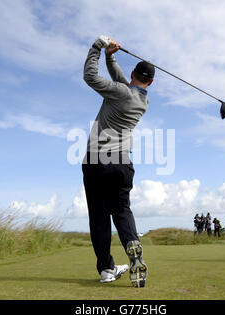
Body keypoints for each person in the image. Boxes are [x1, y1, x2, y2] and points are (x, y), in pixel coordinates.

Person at [83, 36, 154, 287]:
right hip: (122, 164)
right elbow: (122, 82)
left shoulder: (120, 91)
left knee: (99, 217)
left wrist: (96, 48)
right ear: (151, 82)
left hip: (96, 162)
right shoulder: (142, 100)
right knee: (122, 211)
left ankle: (106, 269)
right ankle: (133, 249)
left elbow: (90, 77)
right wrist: (111, 57)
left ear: (134, 72)